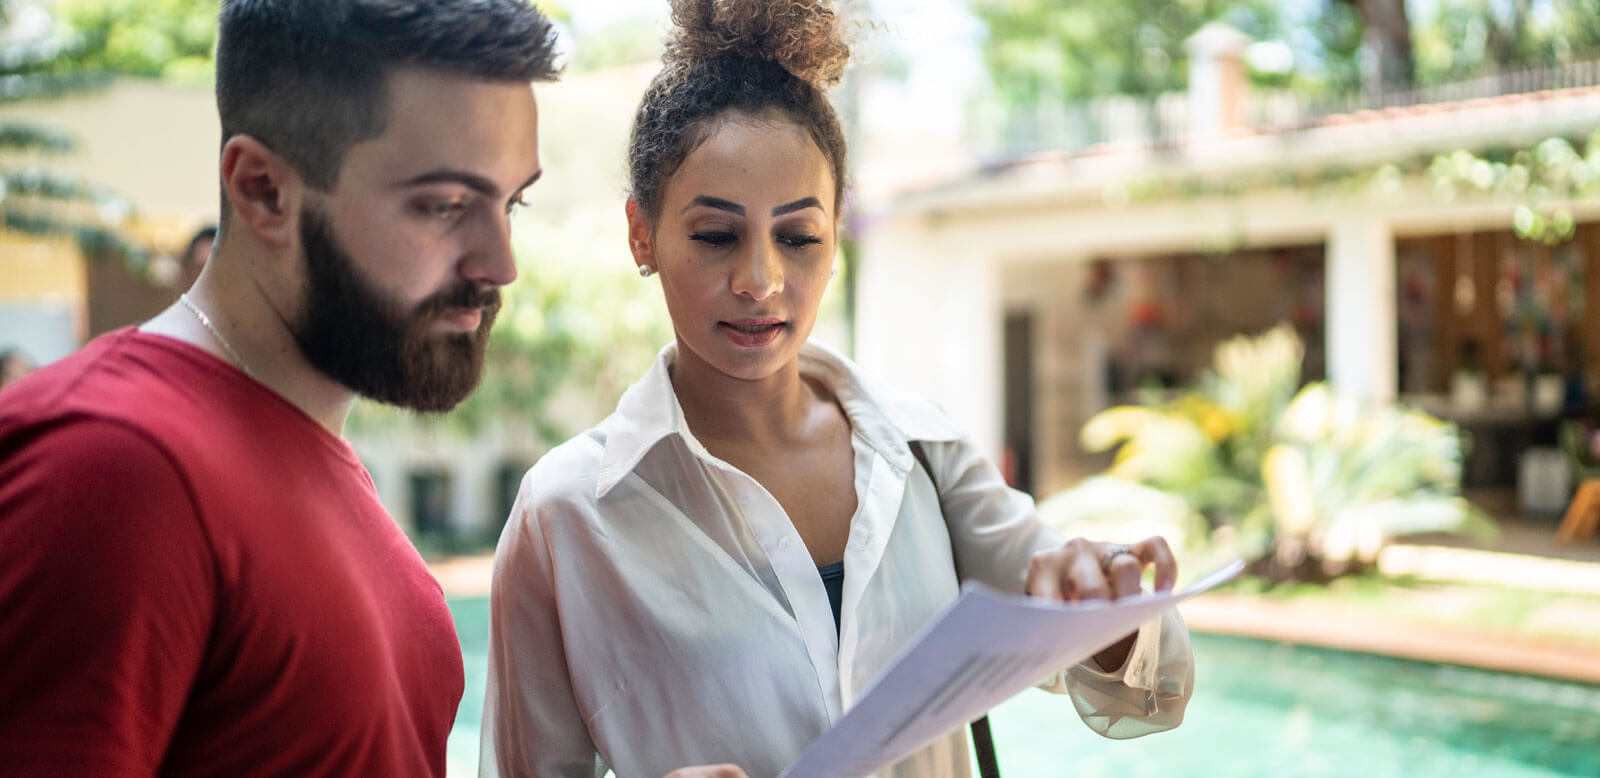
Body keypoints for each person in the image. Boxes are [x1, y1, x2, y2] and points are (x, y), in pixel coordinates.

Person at [481, 2, 1193, 777]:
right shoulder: (567, 516)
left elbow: (1148, 691)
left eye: (798, 236)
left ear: (837, 235)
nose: (761, 280)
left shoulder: (922, 453)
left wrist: (1106, 611)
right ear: (641, 233)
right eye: (717, 236)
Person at [0, 1, 557, 775]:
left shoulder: (298, 444)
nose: (499, 263)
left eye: (511, 202)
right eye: (445, 206)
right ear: (262, 189)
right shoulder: (113, 461)